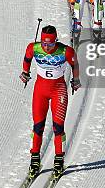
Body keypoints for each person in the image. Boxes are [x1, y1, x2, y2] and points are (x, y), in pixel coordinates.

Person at [19, 25, 81, 178]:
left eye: (51, 44)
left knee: (58, 127)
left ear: (56, 41)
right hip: (40, 91)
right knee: (38, 126)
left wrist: (76, 80)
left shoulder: (65, 51)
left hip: (58, 90)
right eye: (44, 44)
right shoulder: (34, 48)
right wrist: (25, 73)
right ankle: (34, 160)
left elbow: (75, 65)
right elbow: (27, 59)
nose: (46, 47)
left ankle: (59, 161)